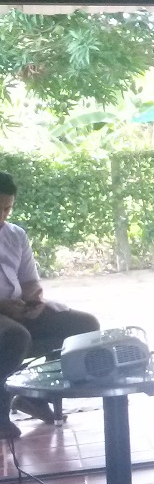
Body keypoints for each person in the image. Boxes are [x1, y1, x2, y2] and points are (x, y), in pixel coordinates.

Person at [0, 172, 100, 439]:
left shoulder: (15, 235)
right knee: (15, 335)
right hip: (4, 317)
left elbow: (30, 280)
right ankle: (1, 412)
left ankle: (37, 395)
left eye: (7, 208)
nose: (2, 216)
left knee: (84, 325)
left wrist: (33, 300)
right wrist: (4, 307)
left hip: (18, 308)